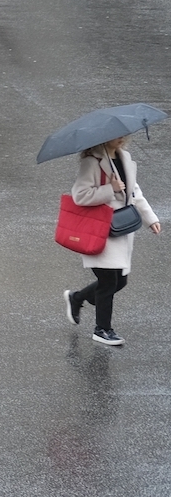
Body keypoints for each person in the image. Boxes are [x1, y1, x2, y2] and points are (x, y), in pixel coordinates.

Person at [65, 136, 161, 346]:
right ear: (103, 137)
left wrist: (150, 218)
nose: (121, 139)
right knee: (108, 282)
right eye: (116, 136)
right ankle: (102, 329)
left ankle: (77, 298)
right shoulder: (91, 162)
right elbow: (79, 196)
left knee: (120, 281)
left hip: (122, 228)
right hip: (101, 230)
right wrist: (111, 189)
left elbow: (135, 192)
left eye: (123, 136)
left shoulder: (125, 158)